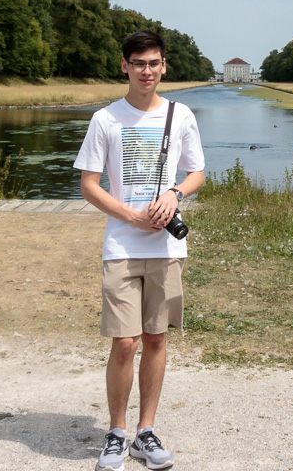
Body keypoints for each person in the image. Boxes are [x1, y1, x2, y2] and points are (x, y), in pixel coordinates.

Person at [73, 29, 205, 471]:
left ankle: (145, 433)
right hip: (121, 246)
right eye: (138, 63)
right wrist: (130, 216)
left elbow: (197, 172)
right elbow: (89, 184)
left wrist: (175, 194)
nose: (146, 71)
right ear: (124, 66)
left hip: (166, 247)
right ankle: (116, 432)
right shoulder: (105, 119)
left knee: (155, 337)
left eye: (153, 63)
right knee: (125, 342)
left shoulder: (180, 115)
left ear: (164, 66)